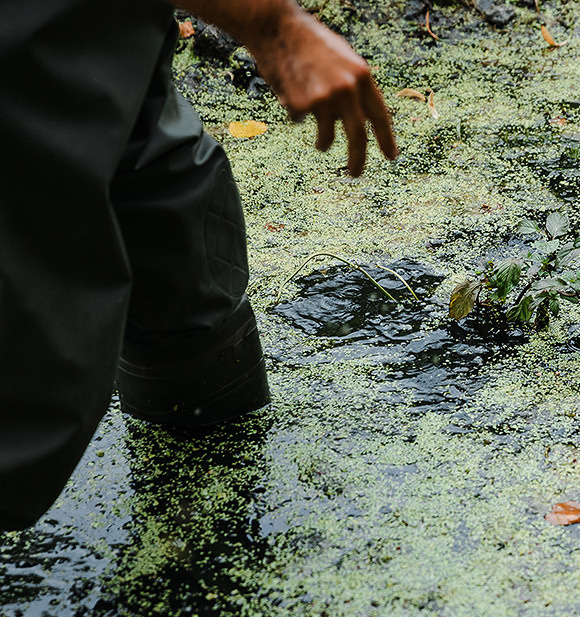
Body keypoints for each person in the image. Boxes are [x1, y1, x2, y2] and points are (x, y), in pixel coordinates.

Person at [0, 0, 399, 530]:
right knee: (34, 346)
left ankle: (215, 518)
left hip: (98, 35)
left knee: (173, 227)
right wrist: (277, 28)